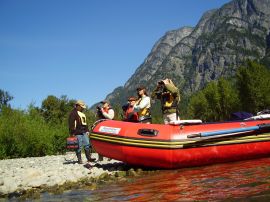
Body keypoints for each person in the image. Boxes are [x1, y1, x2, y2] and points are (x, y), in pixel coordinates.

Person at [68, 100, 95, 164]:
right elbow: (71, 123)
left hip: (84, 132)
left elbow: (85, 123)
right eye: (82, 107)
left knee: (87, 144)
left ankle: (89, 158)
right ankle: (79, 160)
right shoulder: (73, 113)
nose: (83, 108)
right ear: (77, 106)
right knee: (79, 146)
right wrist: (72, 133)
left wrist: (87, 130)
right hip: (77, 132)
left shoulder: (82, 114)